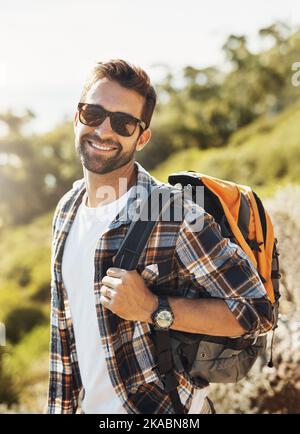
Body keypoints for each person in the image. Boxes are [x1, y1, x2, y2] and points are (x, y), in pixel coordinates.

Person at [47, 59, 273, 414]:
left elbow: (256, 312)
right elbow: (63, 337)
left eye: (123, 123)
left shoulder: (176, 215)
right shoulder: (66, 211)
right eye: (93, 114)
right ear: (77, 118)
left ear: (142, 137)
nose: (104, 131)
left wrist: (155, 309)